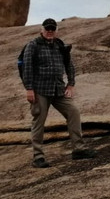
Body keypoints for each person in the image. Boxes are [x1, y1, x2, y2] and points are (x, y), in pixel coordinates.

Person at [20, 18, 95, 168]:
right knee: (39, 121)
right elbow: (26, 67)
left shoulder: (59, 45)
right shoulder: (33, 46)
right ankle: (38, 157)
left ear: (56, 30)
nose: (50, 31)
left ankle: (78, 149)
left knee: (73, 111)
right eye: (47, 28)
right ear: (41, 30)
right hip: (40, 90)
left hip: (58, 89)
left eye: (52, 29)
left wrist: (71, 84)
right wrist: (29, 89)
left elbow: (69, 65)